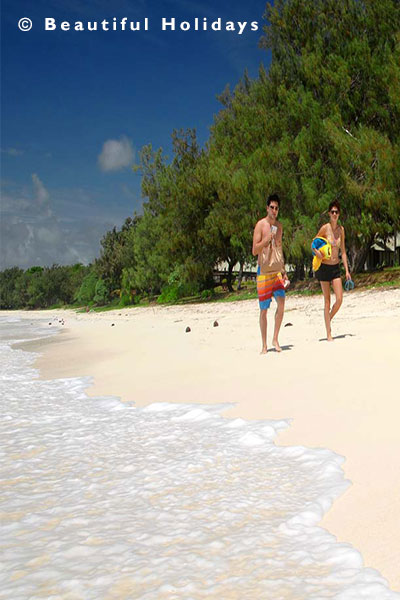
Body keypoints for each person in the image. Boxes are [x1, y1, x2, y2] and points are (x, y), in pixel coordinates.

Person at [252, 194, 289, 354]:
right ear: (267, 208)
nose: (274, 211)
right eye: (272, 207)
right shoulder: (260, 225)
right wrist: (265, 240)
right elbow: (254, 250)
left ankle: (275, 338)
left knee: (281, 303)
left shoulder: (279, 227)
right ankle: (264, 344)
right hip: (264, 271)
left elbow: (279, 249)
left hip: (277, 271)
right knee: (264, 309)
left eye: (276, 208)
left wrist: (284, 270)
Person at [313, 200, 351, 341]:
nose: (335, 214)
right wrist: (317, 253)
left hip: (335, 267)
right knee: (327, 301)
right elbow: (314, 244)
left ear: (339, 214)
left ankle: (328, 318)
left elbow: (344, 252)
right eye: (332, 212)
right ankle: (329, 333)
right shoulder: (325, 228)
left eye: (337, 212)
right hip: (324, 267)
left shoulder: (341, 230)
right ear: (329, 213)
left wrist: (347, 270)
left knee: (339, 299)